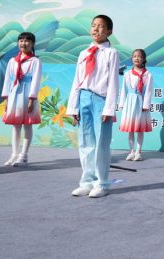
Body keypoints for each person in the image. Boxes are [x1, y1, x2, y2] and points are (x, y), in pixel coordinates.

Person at [66, 15, 120, 198]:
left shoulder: (111, 53)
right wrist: (73, 107)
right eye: (94, 25)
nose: (96, 29)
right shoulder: (84, 53)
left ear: (109, 31)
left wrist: (109, 108)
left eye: (101, 26)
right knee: (85, 142)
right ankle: (87, 182)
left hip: (100, 100)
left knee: (101, 144)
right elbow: (77, 80)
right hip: (84, 98)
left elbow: (113, 82)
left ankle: (101, 183)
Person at [1, 32, 41, 167]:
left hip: (27, 93)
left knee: (27, 124)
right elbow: (7, 80)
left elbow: (36, 80)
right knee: (15, 125)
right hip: (14, 94)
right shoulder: (12, 61)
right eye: (21, 41)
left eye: (27, 41)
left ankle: (23, 155)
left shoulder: (35, 61)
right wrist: (6, 97)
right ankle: (14, 154)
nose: (23, 43)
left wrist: (32, 99)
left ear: (32, 44)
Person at [119, 49, 153, 162]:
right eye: (134, 56)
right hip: (129, 103)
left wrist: (145, 105)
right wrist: (122, 104)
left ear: (144, 59)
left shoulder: (148, 75)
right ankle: (131, 151)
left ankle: (138, 151)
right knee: (130, 129)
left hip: (140, 103)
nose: (136, 58)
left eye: (139, 56)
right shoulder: (127, 74)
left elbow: (148, 91)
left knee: (139, 128)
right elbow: (123, 90)